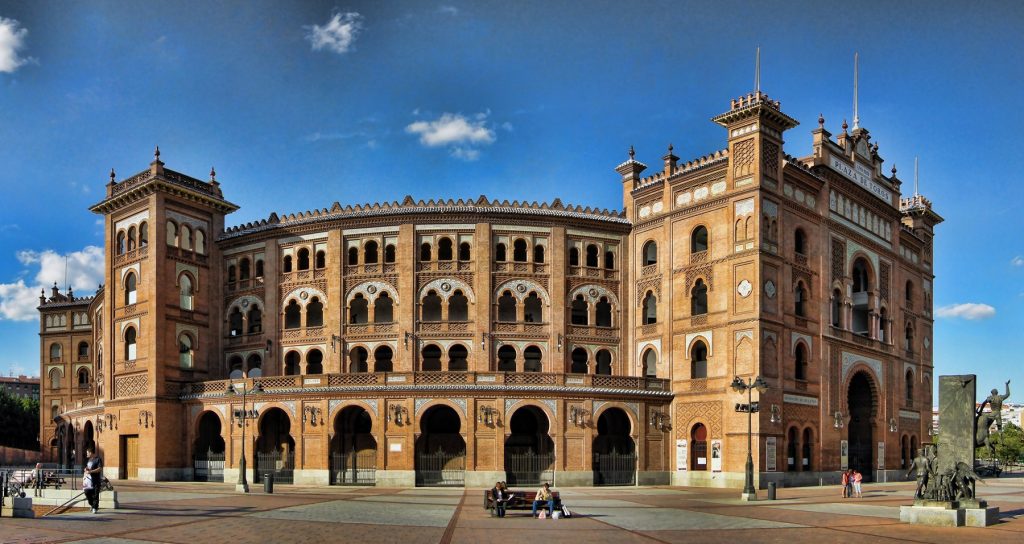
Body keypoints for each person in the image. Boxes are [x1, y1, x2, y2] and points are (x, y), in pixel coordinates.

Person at [83, 446, 104, 514]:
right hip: (88, 481)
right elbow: (88, 467)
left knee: (95, 494)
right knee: (86, 492)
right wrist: (85, 469)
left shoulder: (98, 459)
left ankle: (95, 508)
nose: (86, 454)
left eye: (87, 453)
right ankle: (92, 504)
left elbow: (100, 469)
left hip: (95, 480)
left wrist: (91, 471)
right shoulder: (89, 460)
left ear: (90, 452)